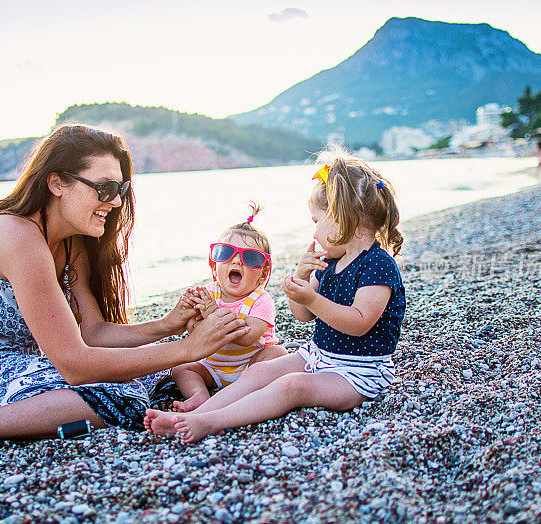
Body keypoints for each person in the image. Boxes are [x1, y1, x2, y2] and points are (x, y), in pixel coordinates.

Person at [0, 124, 249, 454]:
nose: (118, 202)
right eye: (106, 189)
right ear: (57, 182)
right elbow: (77, 365)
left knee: (153, 373)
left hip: (11, 360)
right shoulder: (17, 237)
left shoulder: (70, 241)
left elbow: (91, 334)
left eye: (121, 189)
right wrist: (189, 348)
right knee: (121, 395)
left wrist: (168, 326)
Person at [145, 148, 405, 443]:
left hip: (358, 373)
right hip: (319, 356)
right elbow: (303, 314)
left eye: (317, 221)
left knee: (291, 387)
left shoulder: (378, 265)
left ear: (342, 218)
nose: (314, 232)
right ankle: (194, 414)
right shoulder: (332, 262)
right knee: (260, 373)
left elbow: (359, 322)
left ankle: (209, 422)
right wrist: (302, 281)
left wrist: (312, 299)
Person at [160, 204, 286, 414]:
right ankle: (199, 396)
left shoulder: (261, 301)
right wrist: (192, 315)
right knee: (182, 369)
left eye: (251, 258)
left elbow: (247, 337)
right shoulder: (210, 293)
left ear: (262, 275)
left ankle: (246, 389)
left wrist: (211, 314)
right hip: (211, 366)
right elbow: (194, 332)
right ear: (214, 264)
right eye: (226, 252)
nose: (236, 260)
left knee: (277, 354)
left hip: (250, 364)